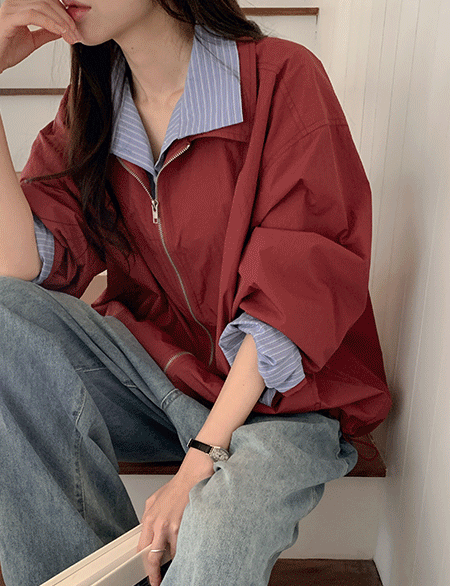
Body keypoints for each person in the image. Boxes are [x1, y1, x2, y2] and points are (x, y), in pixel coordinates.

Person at [0, 1, 392, 585]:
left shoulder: (280, 79)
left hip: (280, 400)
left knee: (215, 534)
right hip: (157, 377)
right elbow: (19, 270)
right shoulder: (93, 107)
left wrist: (198, 464)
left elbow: (289, 307)